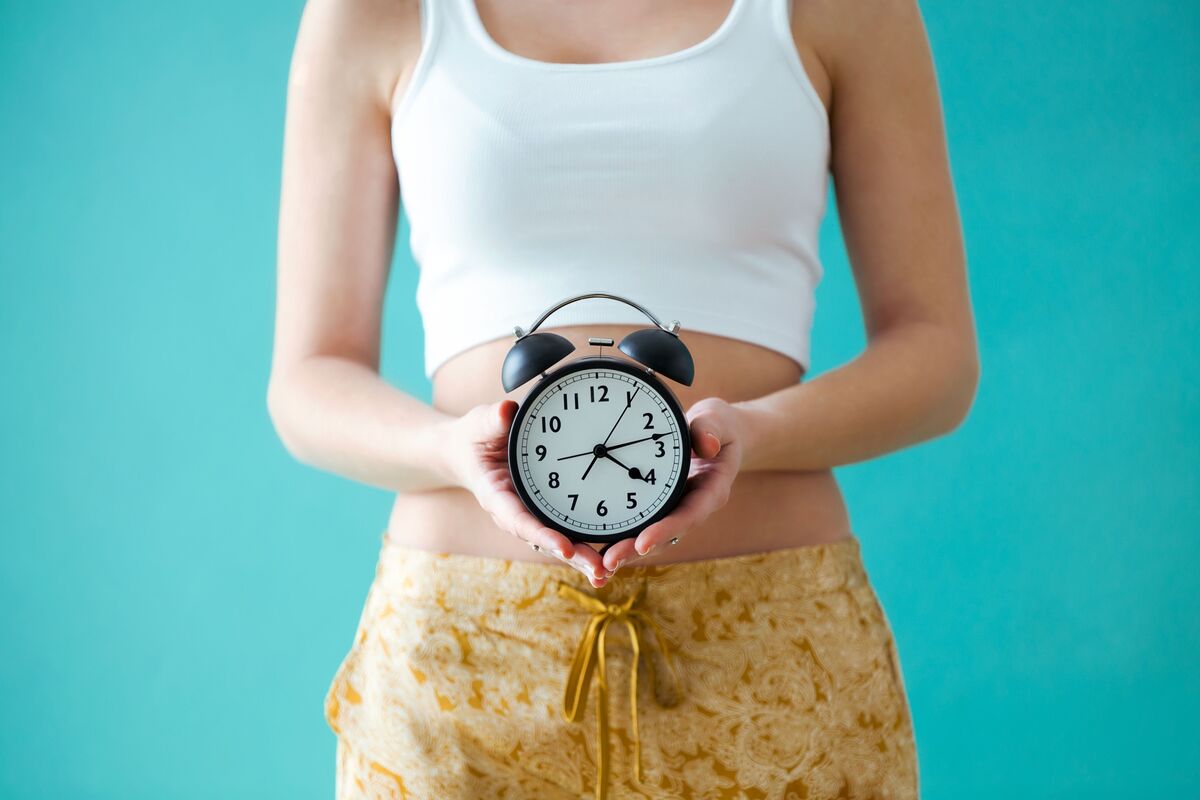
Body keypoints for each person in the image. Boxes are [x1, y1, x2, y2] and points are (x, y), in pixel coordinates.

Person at [268, 0, 978, 796]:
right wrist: (449, 450)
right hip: (461, 662)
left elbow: (937, 355)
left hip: (772, 653)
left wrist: (752, 433)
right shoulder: (372, 13)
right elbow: (308, 379)